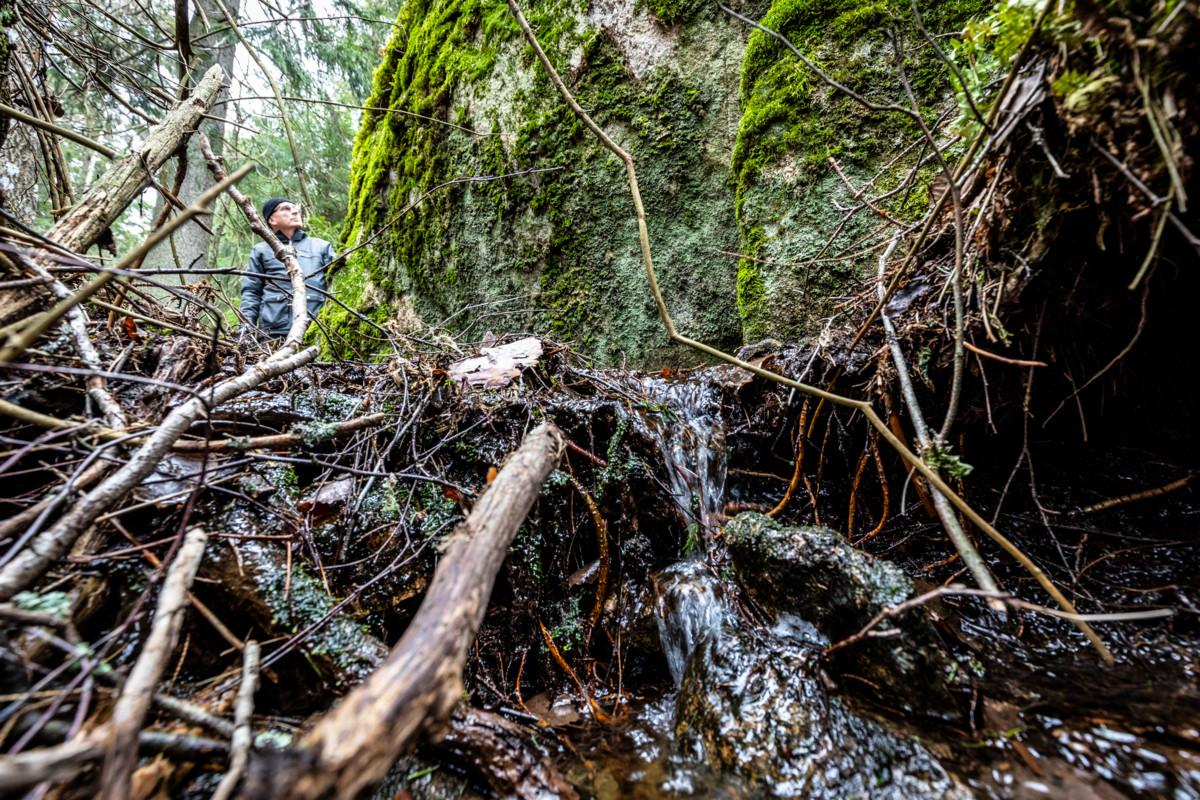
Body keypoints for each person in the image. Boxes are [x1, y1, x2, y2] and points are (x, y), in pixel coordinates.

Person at [240, 198, 334, 338]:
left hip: (316, 330)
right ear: (272, 220)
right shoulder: (261, 250)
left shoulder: (321, 247)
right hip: (273, 334)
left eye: (295, 208)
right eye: (286, 209)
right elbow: (251, 292)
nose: (295, 211)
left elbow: (336, 284)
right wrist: (245, 329)